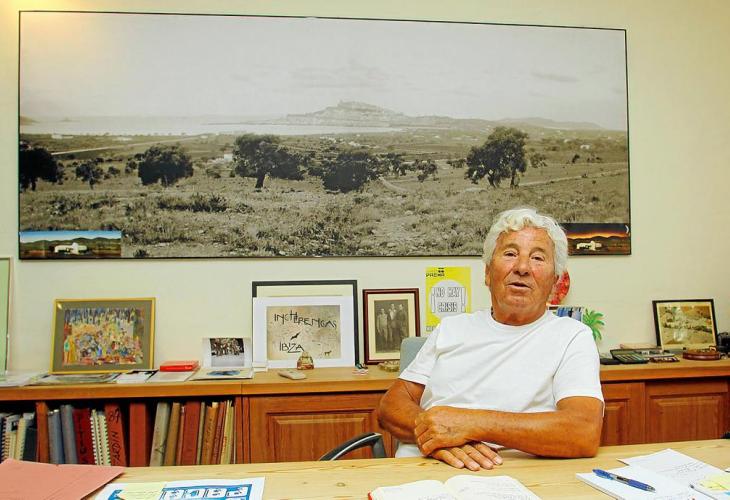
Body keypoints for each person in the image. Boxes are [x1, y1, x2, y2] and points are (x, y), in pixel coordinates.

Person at [377, 207, 604, 471]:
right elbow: (391, 406)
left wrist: (470, 425)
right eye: (510, 254)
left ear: (555, 282)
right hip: (420, 471)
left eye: (537, 258)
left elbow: (583, 431)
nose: (522, 268)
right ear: (487, 273)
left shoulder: (572, 337)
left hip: (510, 476)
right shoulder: (451, 328)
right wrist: (439, 434)